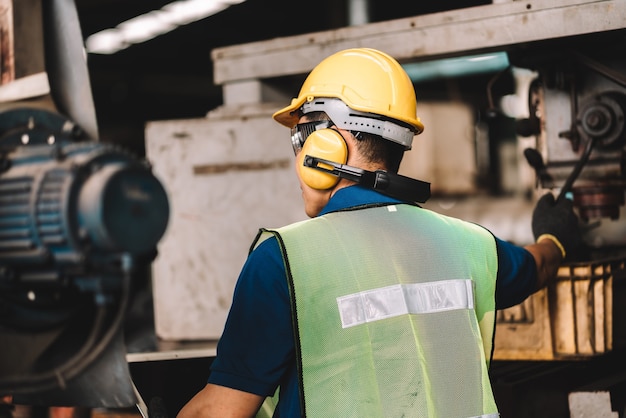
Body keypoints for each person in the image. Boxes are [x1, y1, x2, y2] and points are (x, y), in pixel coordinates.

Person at [176, 48, 582, 418]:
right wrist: (555, 236)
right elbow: (537, 266)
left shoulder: (282, 261)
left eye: (299, 138)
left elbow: (219, 412)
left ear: (323, 144)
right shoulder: (471, 245)